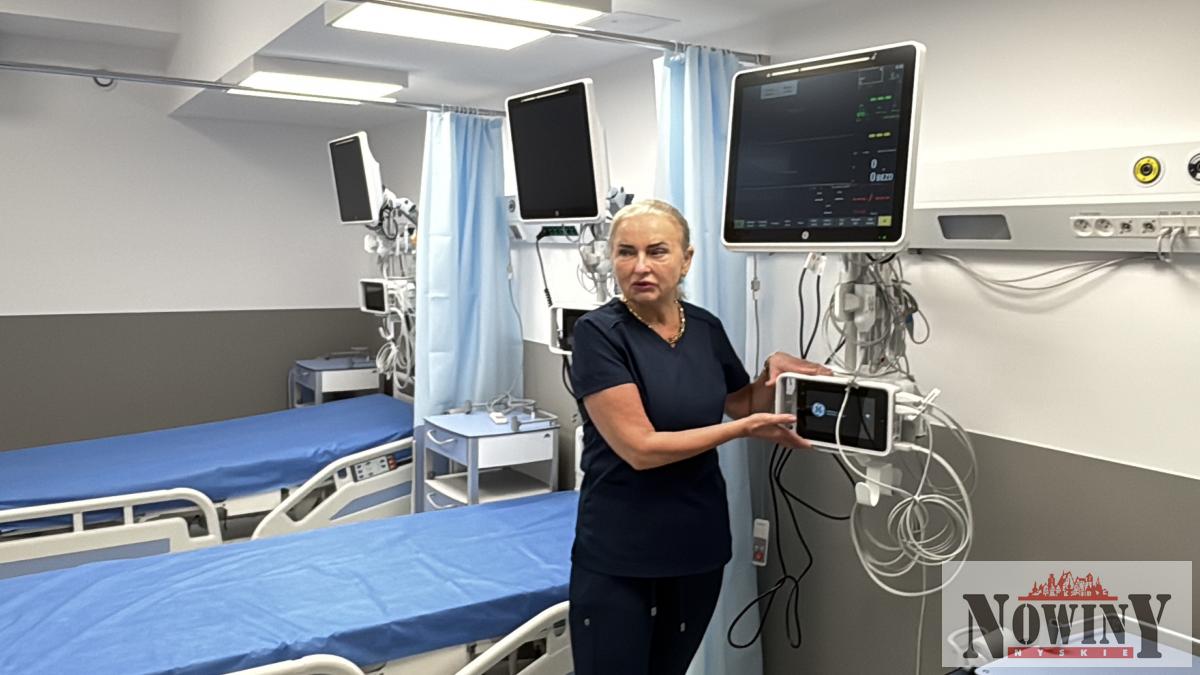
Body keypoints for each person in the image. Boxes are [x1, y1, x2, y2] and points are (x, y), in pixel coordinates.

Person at [568, 199, 831, 674]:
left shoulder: (704, 327)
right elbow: (640, 449)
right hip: (620, 549)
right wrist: (742, 430)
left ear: (686, 259)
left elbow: (741, 403)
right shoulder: (598, 334)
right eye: (626, 252)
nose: (640, 266)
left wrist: (772, 374)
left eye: (657, 251)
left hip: (696, 543)